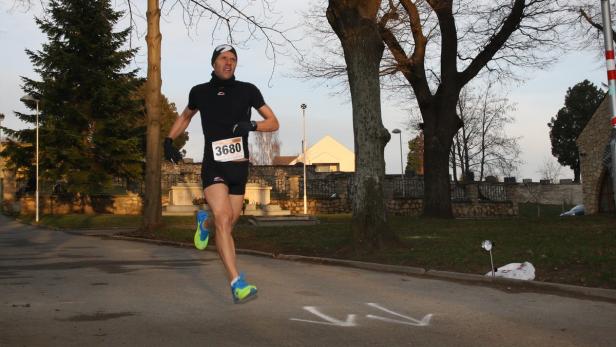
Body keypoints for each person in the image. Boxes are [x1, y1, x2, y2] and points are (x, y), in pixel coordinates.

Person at [164, 44, 279, 303]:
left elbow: (274, 122)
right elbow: (185, 116)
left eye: (233, 59)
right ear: (214, 63)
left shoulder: (248, 91)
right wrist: (169, 139)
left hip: (239, 166)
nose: (229, 62)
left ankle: (203, 223)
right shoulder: (200, 92)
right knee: (224, 219)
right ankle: (237, 283)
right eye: (224, 58)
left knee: (228, 221)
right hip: (214, 166)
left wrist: (253, 125)